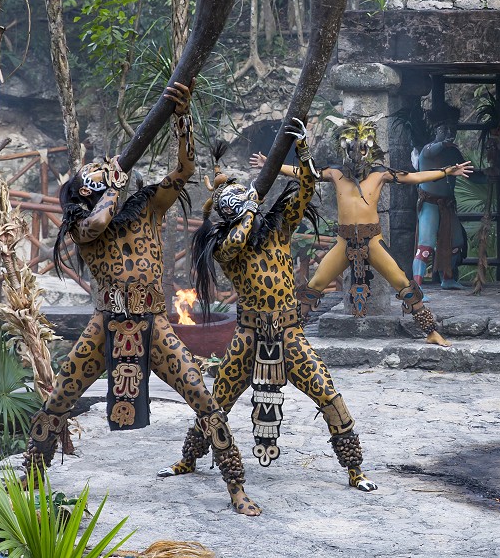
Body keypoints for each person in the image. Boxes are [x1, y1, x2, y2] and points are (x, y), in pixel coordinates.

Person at [24, 83, 258, 515]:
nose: (104, 168)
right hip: (105, 325)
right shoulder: (82, 224)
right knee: (60, 397)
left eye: (105, 167)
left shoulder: (148, 206)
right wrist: (113, 188)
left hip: (153, 324)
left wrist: (182, 118)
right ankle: (30, 477)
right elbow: (97, 225)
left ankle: (237, 487)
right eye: (94, 172)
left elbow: (185, 169)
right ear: (83, 192)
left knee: (203, 399)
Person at [159, 120, 377, 511]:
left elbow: (309, 189)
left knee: (327, 393)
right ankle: (188, 458)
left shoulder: (278, 230)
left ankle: (355, 469)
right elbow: (236, 240)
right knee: (216, 401)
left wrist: (304, 151)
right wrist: (244, 213)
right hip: (247, 338)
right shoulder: (227, 248)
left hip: (288, 333)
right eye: (240, 204)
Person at [273, 115, 471, 347]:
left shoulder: (380, 174)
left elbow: (415, 177)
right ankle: (291, 335)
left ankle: (431, 331)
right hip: (344, 242)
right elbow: (305, 173)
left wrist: (447, 172)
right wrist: (273, 164)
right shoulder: (335, 174)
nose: (357, 153)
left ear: (370, 147)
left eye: (363, 147)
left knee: (403, 283)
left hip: (373, 241)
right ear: (344, 147)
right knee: (315, 285)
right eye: (352, 147)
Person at [412, 120, 468, 290]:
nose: (449, 133)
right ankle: (417, 288)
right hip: (430, 204)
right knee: (425, 245)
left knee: (457, 242)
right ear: (436, 131)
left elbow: (470, 173)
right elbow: (434, 150)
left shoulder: (454, 153)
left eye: (452, 129)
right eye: (444, 129)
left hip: (448, 205)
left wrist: (488, 174)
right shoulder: (428, 150)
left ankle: (448, 278)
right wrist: (443, 142)